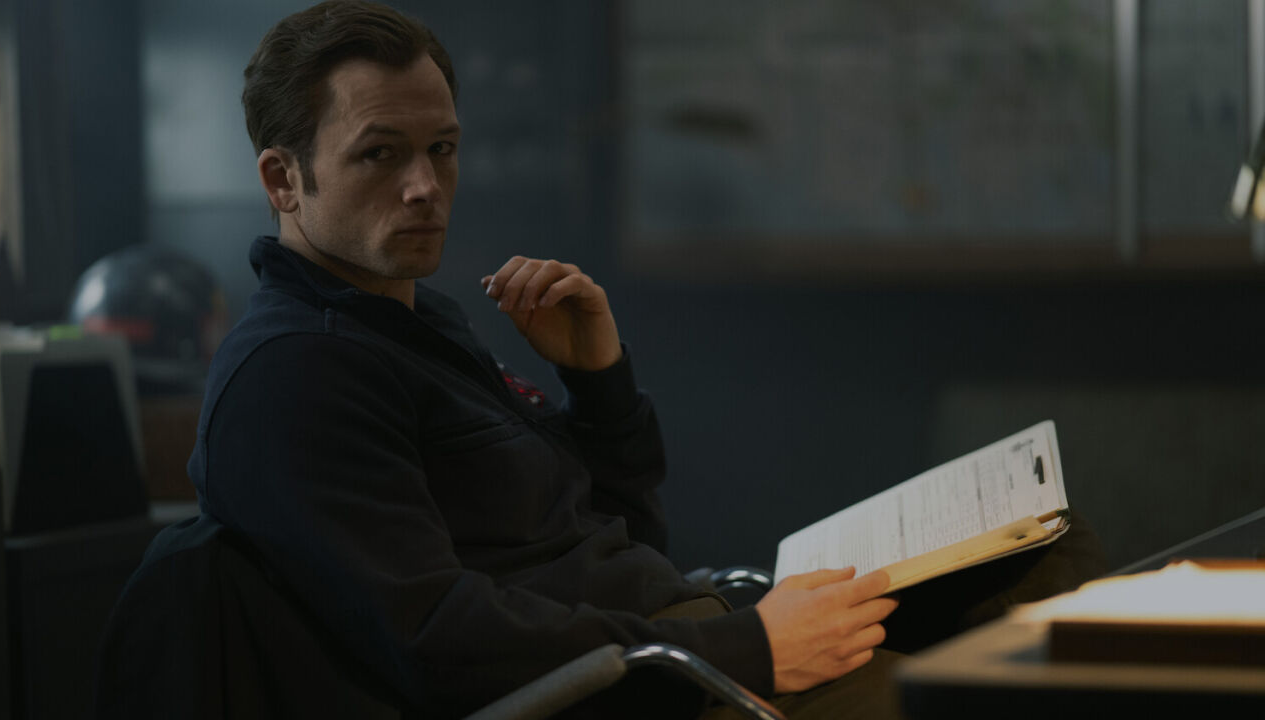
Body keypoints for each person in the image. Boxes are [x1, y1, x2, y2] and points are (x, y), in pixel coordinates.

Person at [190, 2, 1104, 717]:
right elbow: (438, 642)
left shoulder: (416, 322)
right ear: (283, 179)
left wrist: (596, 379)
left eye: (442, 149)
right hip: (641, 687)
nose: (425, 186)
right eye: (380, 155)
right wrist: (751, 650)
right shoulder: (296, 373)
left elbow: (621, 536)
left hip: (681, 638)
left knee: (1046, 559)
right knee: (1002, 694)